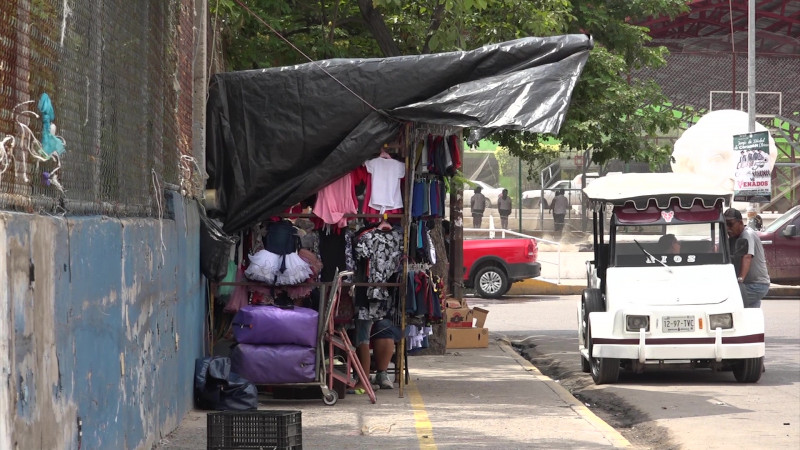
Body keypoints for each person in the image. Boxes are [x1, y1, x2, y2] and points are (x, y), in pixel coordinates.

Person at [724, 208, 770, 308]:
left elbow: (747, 257)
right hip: (749, 284)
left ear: (740, 222)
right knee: (751, 314)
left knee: (729, 302)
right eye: (725, 225)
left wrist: (739, 280)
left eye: (730, 224)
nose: (727, 228)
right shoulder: (733, 238)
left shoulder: (747, 235)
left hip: (754, 285)